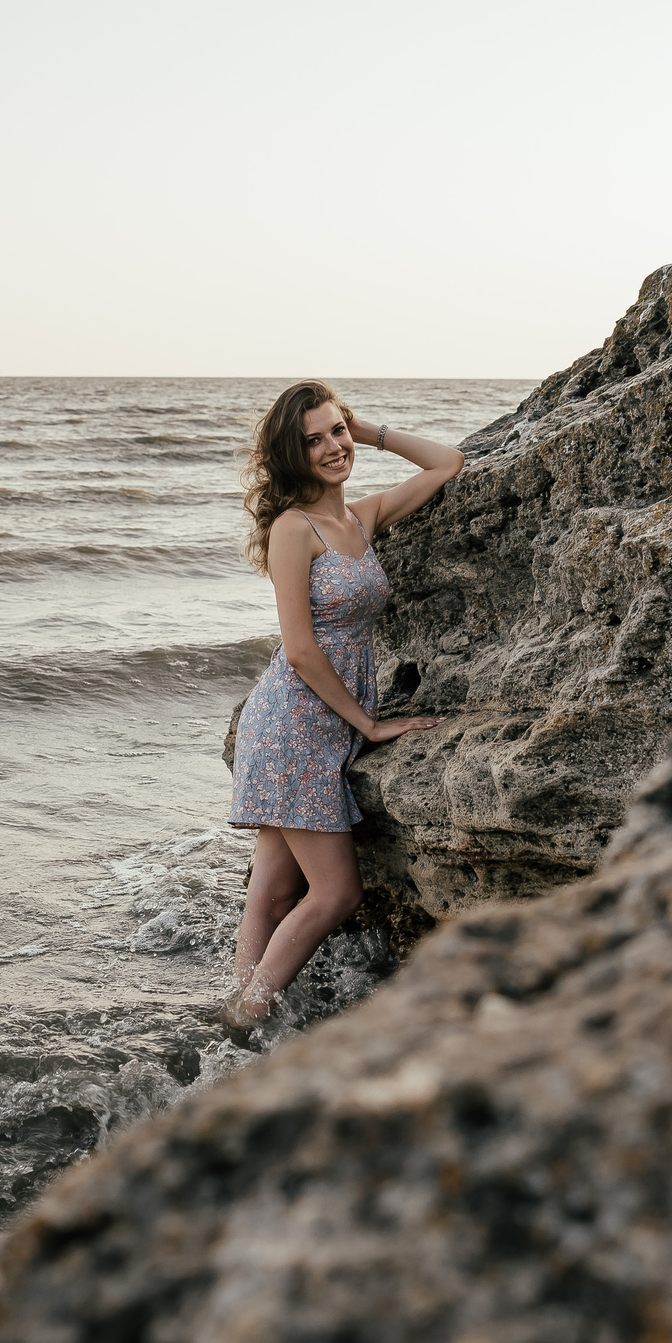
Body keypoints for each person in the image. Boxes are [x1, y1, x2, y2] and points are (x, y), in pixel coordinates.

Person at [220, 380, 461, 1029]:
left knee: (272, 891)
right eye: (314, 439)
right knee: (334, 892)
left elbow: (448, 462)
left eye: (337, 431)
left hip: (323, 726)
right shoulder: (292, 530)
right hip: (293, 723)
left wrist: (371, 427)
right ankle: (247, 1016)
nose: (333, 447)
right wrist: (369, 724)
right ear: (291, 456)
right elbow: (299, 649)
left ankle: (232, 1026)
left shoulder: (361, 518)